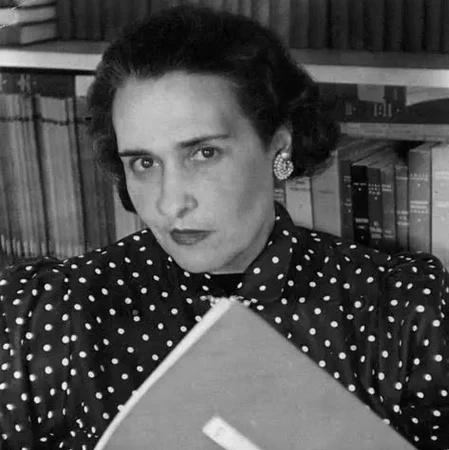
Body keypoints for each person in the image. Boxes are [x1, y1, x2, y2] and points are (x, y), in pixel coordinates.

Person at [1, 4, 448, 449]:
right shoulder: (47, 318)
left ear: (278, 146)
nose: (170, 203)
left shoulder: (402, 314)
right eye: (144, 163)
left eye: (204, 154)